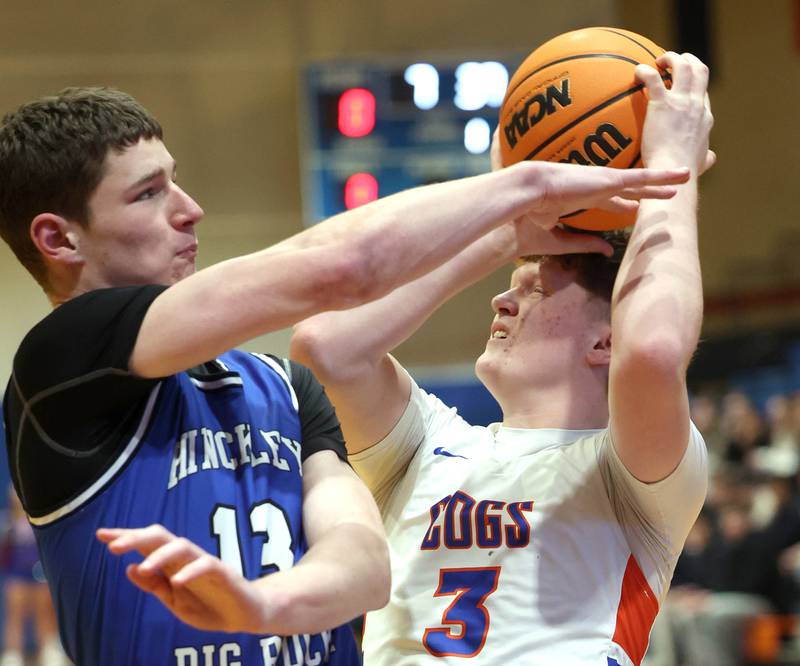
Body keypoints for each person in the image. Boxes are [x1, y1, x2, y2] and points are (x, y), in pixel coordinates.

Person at [0, 86, 687, 666]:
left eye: (175, 180)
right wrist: (525, 188)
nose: (189, 207)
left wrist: (265, 605)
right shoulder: (60, 369)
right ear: (59, 240)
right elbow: (341, 270)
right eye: (149, 194)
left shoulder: (280, 386)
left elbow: (365, 564)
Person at [291, 52, 713, 665]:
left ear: (605, 341)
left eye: (537, 287)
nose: (503, 297)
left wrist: (671, 167)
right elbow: (325, 349)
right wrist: (507, 230)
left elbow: (652, 348)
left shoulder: (631, 475)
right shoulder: (427, 446)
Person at [0, 487, 67, 666]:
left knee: (45, 616)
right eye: (14, 494)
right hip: (17, 577)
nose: (18, 498)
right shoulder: (8, 523)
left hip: (41, 578)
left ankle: (49, 651)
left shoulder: (45, 522)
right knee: (15, 617)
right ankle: (12, 655)